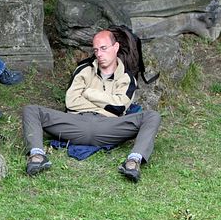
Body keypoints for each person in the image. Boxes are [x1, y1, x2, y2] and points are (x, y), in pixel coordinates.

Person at [22, 30, 161, 182]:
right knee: (31, 110)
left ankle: (133, 161)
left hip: (109, 127)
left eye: (103, 48)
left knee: (152, 116)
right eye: (96, 50)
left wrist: (88, 93)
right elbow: (71, 102)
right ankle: (37, 156)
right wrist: (106, 104)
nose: (99, 54)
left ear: (116, 47)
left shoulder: (127, 77)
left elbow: (119, 107)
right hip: (76, 124)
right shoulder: (83, 70)